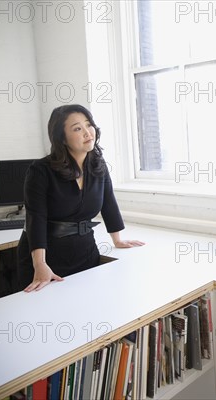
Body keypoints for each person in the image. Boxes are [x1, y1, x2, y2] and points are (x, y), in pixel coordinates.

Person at [17, 104, 145, 292]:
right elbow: (36, 218)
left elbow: (109, 203)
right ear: (62, 138)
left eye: (89, 125)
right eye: (77, 128)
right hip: (47, 255)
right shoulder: (40, 171)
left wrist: (117, 240)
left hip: (85, 250)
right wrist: (40, 264)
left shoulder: (97, 165)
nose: (88, 132)